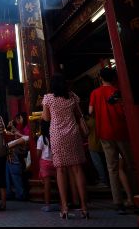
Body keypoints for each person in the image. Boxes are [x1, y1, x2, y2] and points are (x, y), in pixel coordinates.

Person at [89, 68, 138, 214]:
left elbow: (90, 111)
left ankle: (118, 202)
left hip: (105, 133)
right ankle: (135, 198)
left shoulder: (95, 93)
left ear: (101, 78)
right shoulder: (118, 92)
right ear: (114, 78)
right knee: (130, 166)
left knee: (112, 168)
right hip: (122, 131)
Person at [43, 75, 89, 220]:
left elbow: (46, 118)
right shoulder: (72, 96)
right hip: (73, 134)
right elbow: (79, 114)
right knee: (77, 169)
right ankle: (84, 208)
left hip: (57, 135)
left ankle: (64, 208)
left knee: (60, 169)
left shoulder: (48, 98)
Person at [5, 113, 29, 201]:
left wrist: (17, 137)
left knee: (15, 173)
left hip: (19, 155)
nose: (18, 121)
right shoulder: (21, 127)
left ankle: (20, 194)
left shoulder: (27, 127)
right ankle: (9, 193)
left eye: (20, 119)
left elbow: (26, 138)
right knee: (8, 171)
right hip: (14, 154)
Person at [37, 119, 56, 212]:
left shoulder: (41, 138)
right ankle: (63, 203)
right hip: (55, 162)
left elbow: (38, 153)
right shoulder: (54, 136)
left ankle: (47, 205)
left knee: (47, 185)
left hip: (45, 163)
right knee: (60, 182)